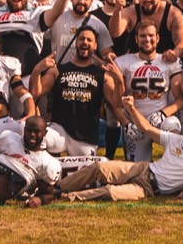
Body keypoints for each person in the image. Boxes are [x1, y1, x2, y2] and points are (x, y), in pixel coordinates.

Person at [45, 109, 183, 202]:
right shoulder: (177, 140)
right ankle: (57, 187)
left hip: (149, 189)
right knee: (100, 168)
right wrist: (132, 109)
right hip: (142, 169)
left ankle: (63, 197)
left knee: (110, 192)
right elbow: (148, 129)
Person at [31, 26, 121, 154]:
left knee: (85, 173)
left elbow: (116, 103)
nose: (85, 42)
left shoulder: (103, 75)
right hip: (59, 131)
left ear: (95, 46)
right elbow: (36, 92)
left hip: (86, 137)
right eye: (82, 39)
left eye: (89, 40)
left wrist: (119, 80)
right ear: (76, 43)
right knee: (42, 138)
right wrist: (37, 70)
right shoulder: (58, 70)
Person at [115, 20, 183, 161]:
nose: (147, 39)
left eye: (151, 35)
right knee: (137, 170)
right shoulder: (123, 62)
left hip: (160, 119)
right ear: (136, 39)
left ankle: (173, 167)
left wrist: (163, 114)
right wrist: (126, 123)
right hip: (136, 122)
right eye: (142, 36)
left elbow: (182, 99)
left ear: (157, 38)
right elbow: (114, 102)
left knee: (173, 128)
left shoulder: (170, 62)